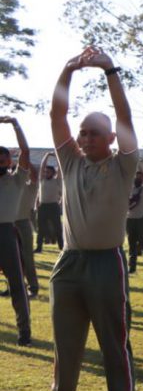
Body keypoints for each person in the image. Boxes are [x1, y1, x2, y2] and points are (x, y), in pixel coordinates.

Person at [25, 47, 140, 391]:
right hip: (69, 264)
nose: (85, 137)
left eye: (94, 132)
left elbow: (124, 116)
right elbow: (57, 115)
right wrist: (67, 69)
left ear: (110, 137)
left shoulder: (123, 163)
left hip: (107, 263)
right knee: (66, 344)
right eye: (83, 132)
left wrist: (109, 70)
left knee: (114, 344)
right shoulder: (71, 161)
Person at [0, 117, 33, 344]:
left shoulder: (17, 179)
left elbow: (26, 151)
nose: (1, 163)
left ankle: (24, 332)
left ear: (9, 161)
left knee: (16, 284)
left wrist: (15, 125)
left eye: (4, 159)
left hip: (6, 234)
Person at [15, 160, 39, 298]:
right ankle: (16, 286)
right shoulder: (10, 185)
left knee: (27, 258)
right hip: (8, 224)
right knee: (11, 258)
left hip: (23, 224)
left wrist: (25, 159)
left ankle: (33, 287)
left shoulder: (31, 186)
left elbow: (35, 174)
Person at [35, 153, 63, 252]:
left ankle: (62, 247)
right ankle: (39, 248)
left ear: (53, 173)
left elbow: (60, 168)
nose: (46, 173)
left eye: (49, 172)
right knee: (41, 228)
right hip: (43, 206)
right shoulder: (42, 180)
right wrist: (47, 155)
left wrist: (57, 157)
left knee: (58, 227)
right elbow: (42, 167)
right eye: (45, 172)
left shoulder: (57, 180)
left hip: (53, 206)